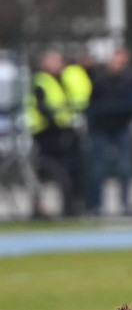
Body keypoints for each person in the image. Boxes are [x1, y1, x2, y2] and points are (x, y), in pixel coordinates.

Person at [26, 49, 87, 217]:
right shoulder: (39, 80)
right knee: (45, 171)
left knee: (66, 170)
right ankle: (40, 208)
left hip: (62, 131)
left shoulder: (63, 78)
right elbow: (43, 106)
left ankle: (68, 206)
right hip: (45, 132)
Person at [86, 46, 132, 215]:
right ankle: (97, 205)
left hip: (121, 128)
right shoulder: (100, 81)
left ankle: (125, 204)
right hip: (102, 128)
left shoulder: (129, 81)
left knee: (124, 168)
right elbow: (92, 103)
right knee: (98, 169)